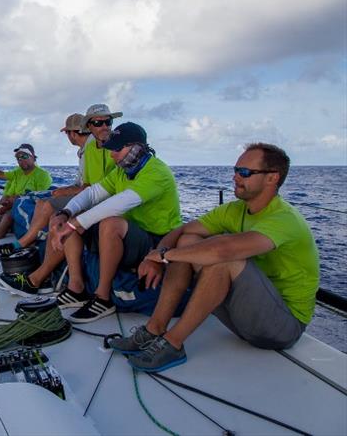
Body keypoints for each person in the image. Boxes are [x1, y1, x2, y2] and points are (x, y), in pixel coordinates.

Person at [111, 143, 319, 372]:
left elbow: (224, 250)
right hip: (244, 317)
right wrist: (155, 257)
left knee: (223, 259)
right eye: (236, 170)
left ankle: (173, 343)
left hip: (282, 327)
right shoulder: (235, 210)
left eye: (245, 172)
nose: (236, 177)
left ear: (272, 178)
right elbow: (182, 231)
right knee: (188, 240)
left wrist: (165, 256)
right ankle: (154, 329)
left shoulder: (284, 219)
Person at [42, 123, 181, 323]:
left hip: (157, 240)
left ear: (137, 147)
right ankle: (76, 288)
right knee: (73, 218)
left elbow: (121, 202)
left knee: (109, 223)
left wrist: (75, 224)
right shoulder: (122, 171)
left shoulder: (157, 172)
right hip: (132, 235)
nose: (112, 154)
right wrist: (66, 213)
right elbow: (92, 193)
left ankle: (103, 297)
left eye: (118, 149)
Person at [0, 113, 91, 256]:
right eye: (18, 158)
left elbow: (89, 186)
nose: (21, 160)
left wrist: (67, 191)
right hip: (84, 192)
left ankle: (25, 241)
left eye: (24, 156)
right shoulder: (84, 151)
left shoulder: (90, 151)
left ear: (72, 133)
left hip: (88, 195)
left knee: (43, 203)